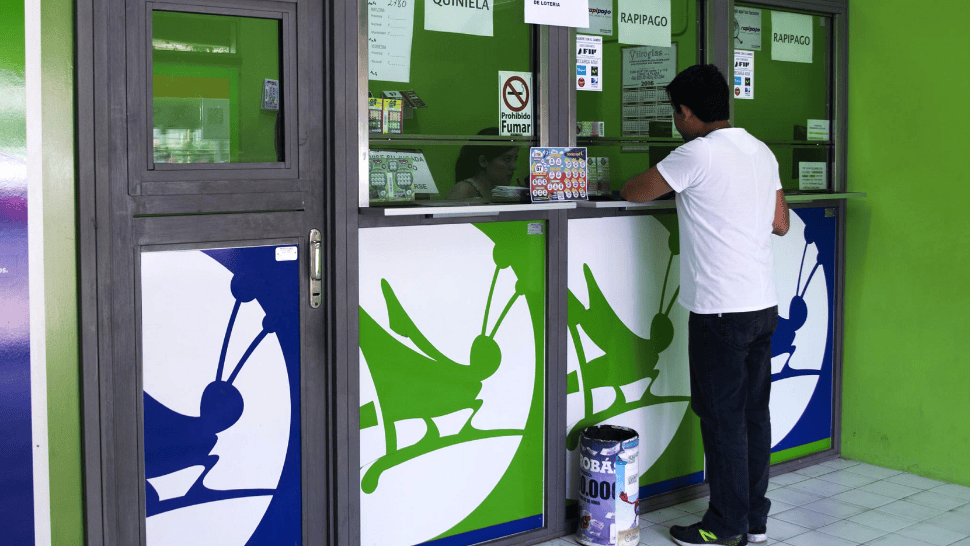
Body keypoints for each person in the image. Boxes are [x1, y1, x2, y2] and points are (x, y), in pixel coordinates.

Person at [620, 64, 790, 546]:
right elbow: (781, 222)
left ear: (687, 112)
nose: (677, 121)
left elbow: (634, 191)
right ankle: (753, 518)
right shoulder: (759, 150)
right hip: (761, 303)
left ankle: (723, 524)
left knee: (721, 419)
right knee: (754, 415)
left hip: (719, 309)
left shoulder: (695, 155)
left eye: (677, 113)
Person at [447, 128, 520, 202]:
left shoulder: (496, 192)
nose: (514, 166)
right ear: (483, 161)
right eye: (507, 159)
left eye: (515, 159)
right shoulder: (463, 190)